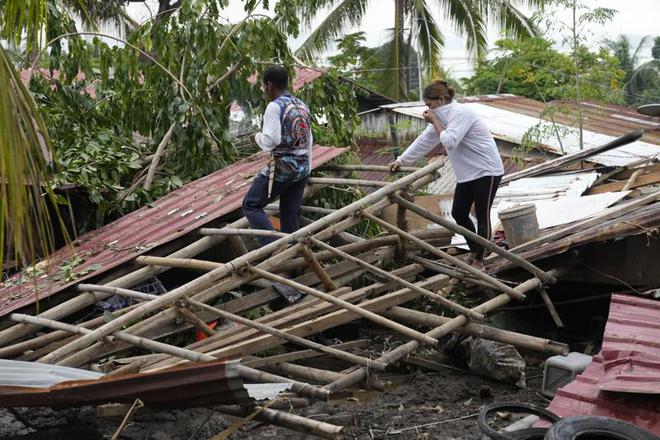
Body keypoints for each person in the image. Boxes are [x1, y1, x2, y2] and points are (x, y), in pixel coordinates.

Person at [388, 80, 504, 268]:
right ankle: (475, 250)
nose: (428, 110)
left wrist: (434, 121)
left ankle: (480, 260)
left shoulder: (461, 113)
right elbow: (424, 141)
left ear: (442, 99)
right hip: (467, 173)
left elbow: (450, 141)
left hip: (486, 170)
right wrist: (401, 160)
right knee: (459, 213)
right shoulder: (440, 120)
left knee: (482, 215)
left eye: (430, 104)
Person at [242, 66, 313, 247]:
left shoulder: (274, 106)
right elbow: (309, 140)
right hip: (303, 168)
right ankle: (293, 254)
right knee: (289, 214)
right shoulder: (301, 105)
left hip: (284, 168)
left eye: (264, 87)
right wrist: (307, 169)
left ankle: (272, 247)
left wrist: (256, 137)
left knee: (251, 204)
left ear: (269, 85)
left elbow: (271, 140)